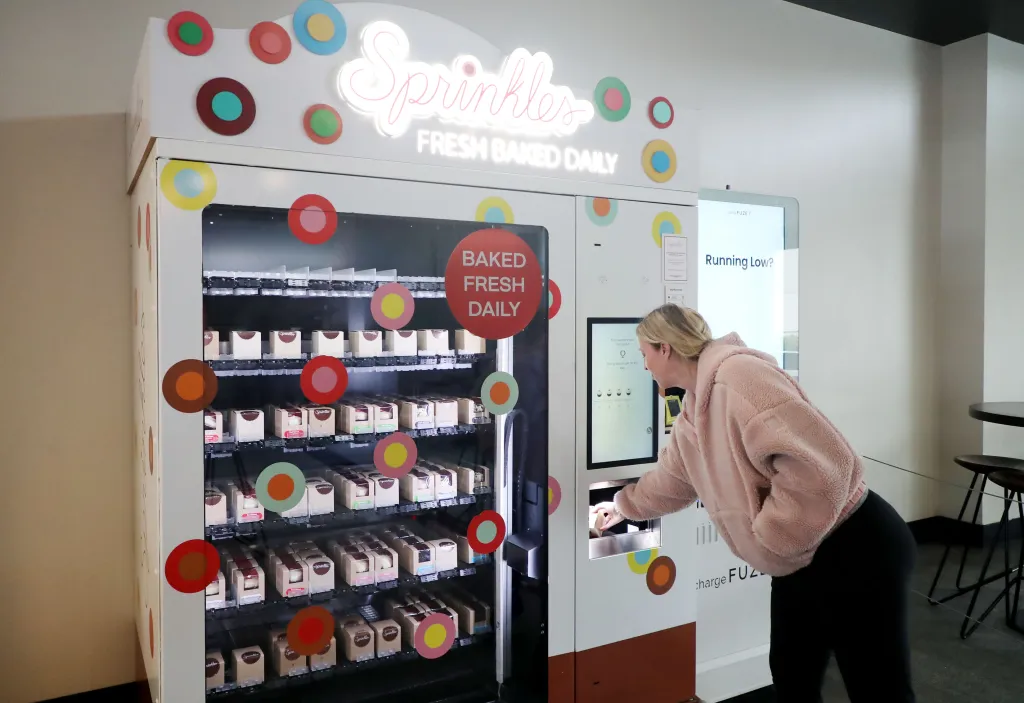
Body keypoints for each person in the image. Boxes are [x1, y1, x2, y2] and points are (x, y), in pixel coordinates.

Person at [593, 304, 916, 703]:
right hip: (802, 556)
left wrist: (772, 540)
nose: (644, 366)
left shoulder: (741, 377)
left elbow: (824, 469)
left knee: (877, 687)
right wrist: (621, 506)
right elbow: (673, 481)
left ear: (665, 349)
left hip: (854, 545)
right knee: (792, 675)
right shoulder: (694, 407)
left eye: (644, 354)